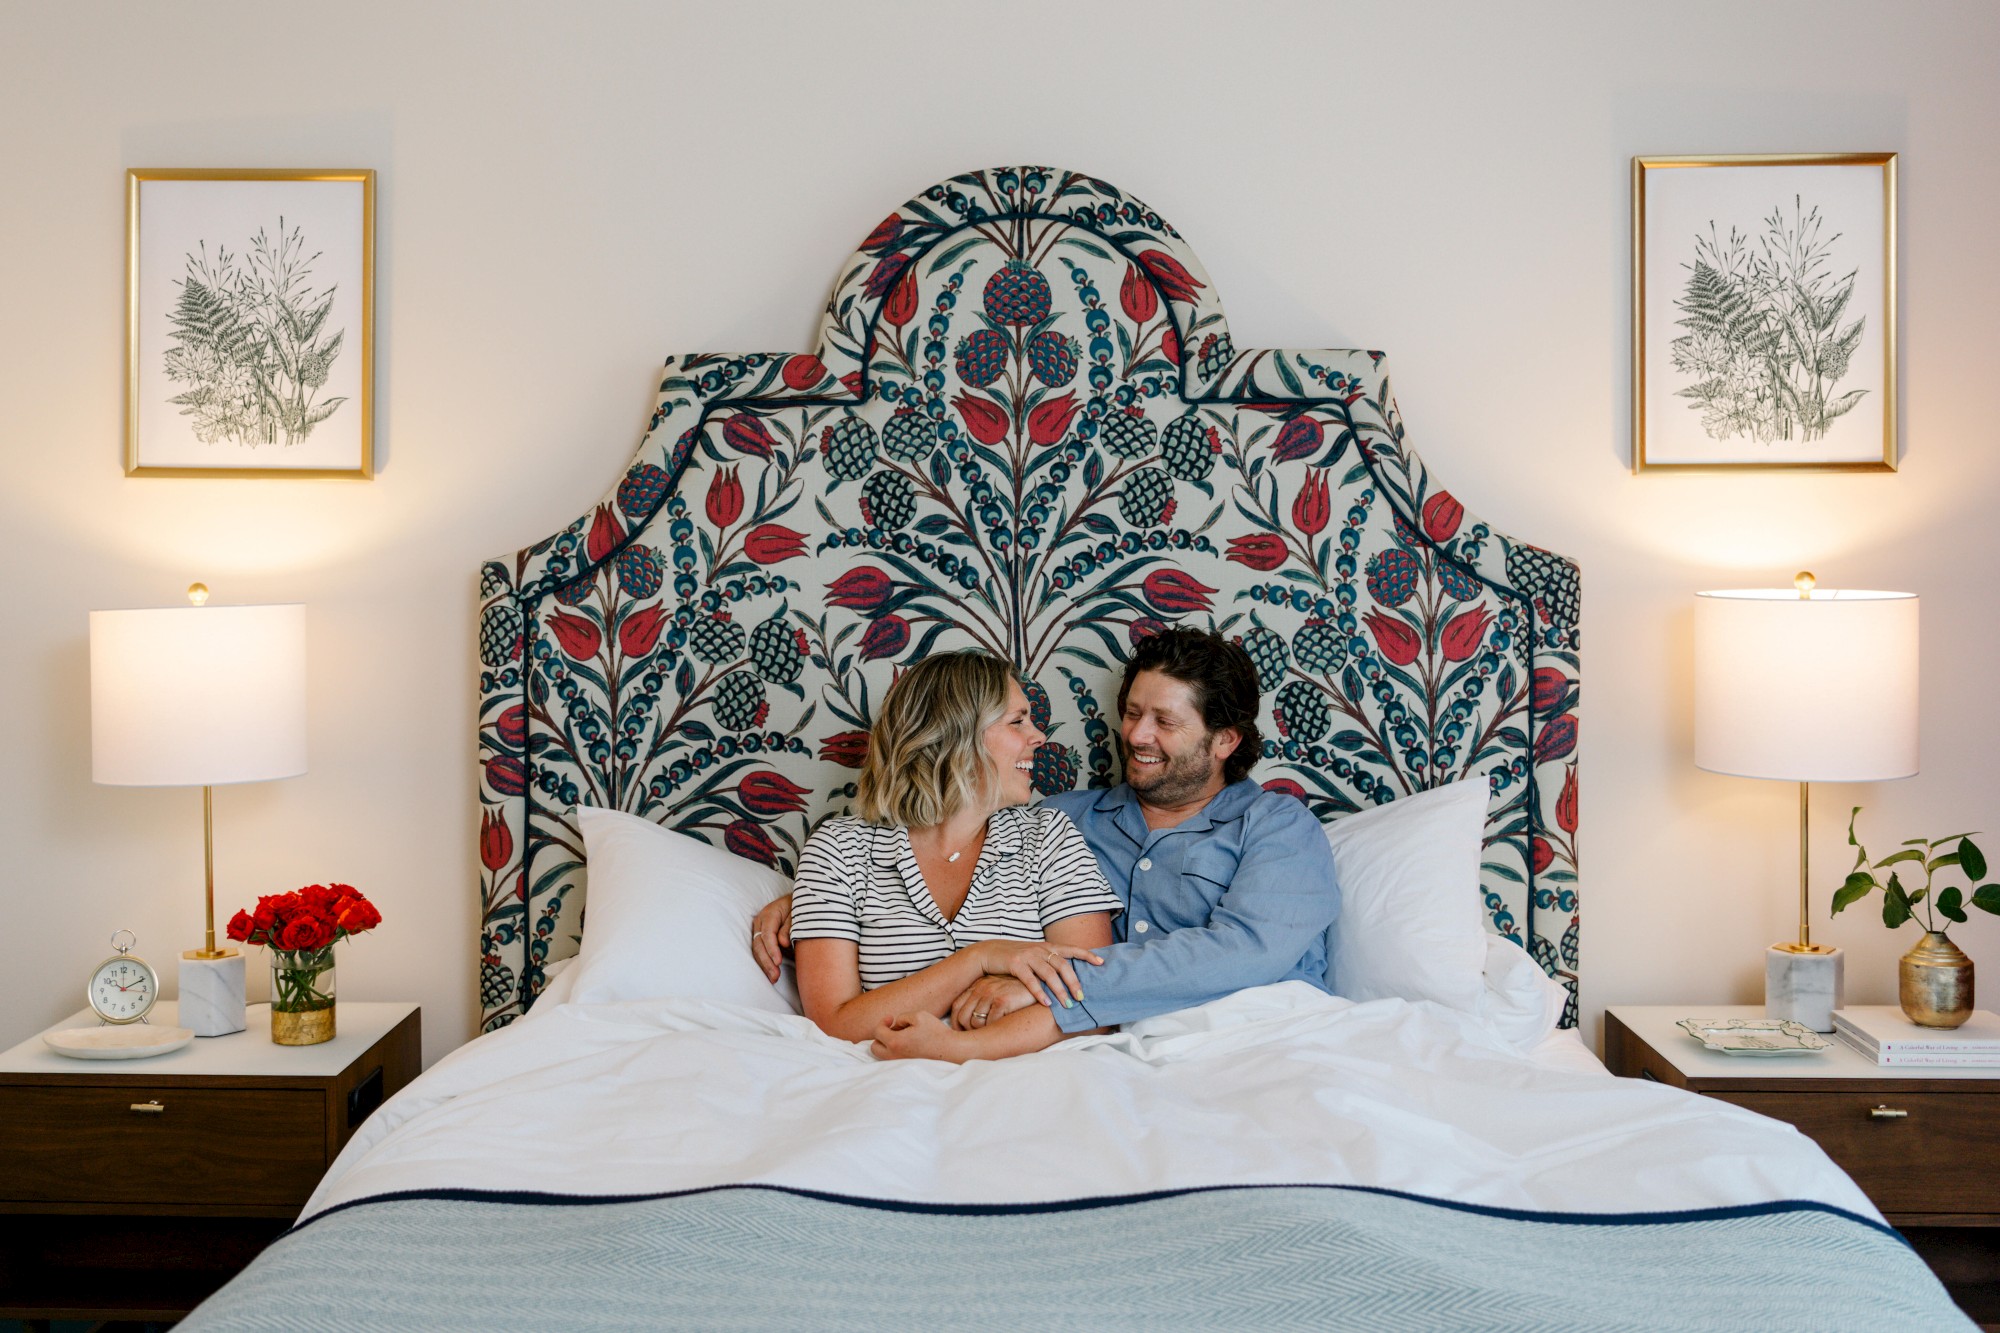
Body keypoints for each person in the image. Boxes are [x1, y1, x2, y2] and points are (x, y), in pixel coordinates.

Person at [753, 628, 1342, 1061]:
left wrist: (1019, 989)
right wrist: (802, 901)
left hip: (1257, 1044)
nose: (1136, 735)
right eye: (1132, 713)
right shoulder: (1062, 819)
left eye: (1165, 721)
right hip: (1118, 1058)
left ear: (1224, 741)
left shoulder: (1278, 828)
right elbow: (953, 825)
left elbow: (1245, 952)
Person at [784, 650, 1122, 1062]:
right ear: (954, 733)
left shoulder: (1050, 837)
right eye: (1017, 721)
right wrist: (978, 959)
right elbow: (832, 1023)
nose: (1039, 736)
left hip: (1025, 1082)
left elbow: (1093, 1005)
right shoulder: (838, 848)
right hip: (882, 1087)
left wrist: (957, 1049)